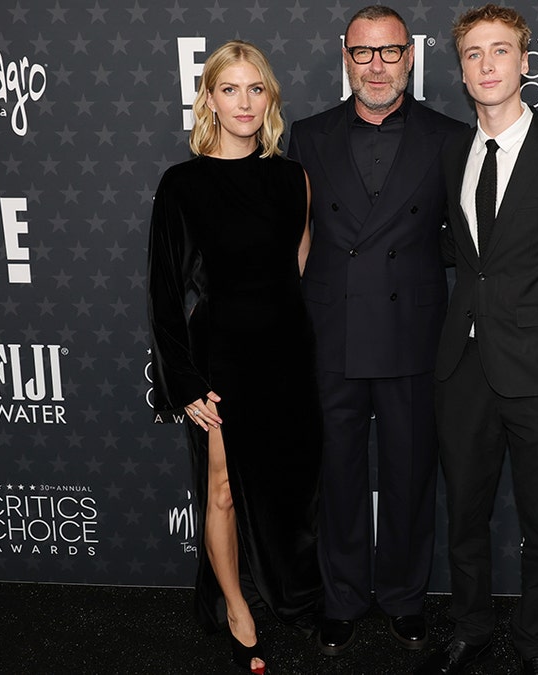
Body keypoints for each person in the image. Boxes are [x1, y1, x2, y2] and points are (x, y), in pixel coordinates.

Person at [418, 5, 538, 675]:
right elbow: (466, 252)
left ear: (525, 62)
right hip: (463, 368)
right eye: (474, 54)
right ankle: (471, 627)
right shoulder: (452, 154)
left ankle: (536, 644)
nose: (488, 64)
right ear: (463, 70)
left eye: (500, 51)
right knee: (465, 520)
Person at [287, 4, 467, 657]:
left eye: (390, 52)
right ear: (345, 56)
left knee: (410, 473)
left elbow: (468, 242)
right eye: (364, 52)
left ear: (410, 57)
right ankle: (340, 598)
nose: (377, 65)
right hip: (331, 329)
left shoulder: (450, 136)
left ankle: (402, 597)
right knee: (335, 473)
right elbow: (299, 236)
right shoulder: (307, 135)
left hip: (413, 332)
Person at [147, 40, 322, 675]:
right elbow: (165, 294)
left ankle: (289, 591)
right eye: (230, 90)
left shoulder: (291, 177)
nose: (244, 102)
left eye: (256, 89)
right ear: (210, 100)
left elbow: (295, 269)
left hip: (286, 352)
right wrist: (185, 380)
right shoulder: (183, 184)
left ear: (269, 98)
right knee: (220, 489)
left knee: (286, 486)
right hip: (221, 356)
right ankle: (237, 609)